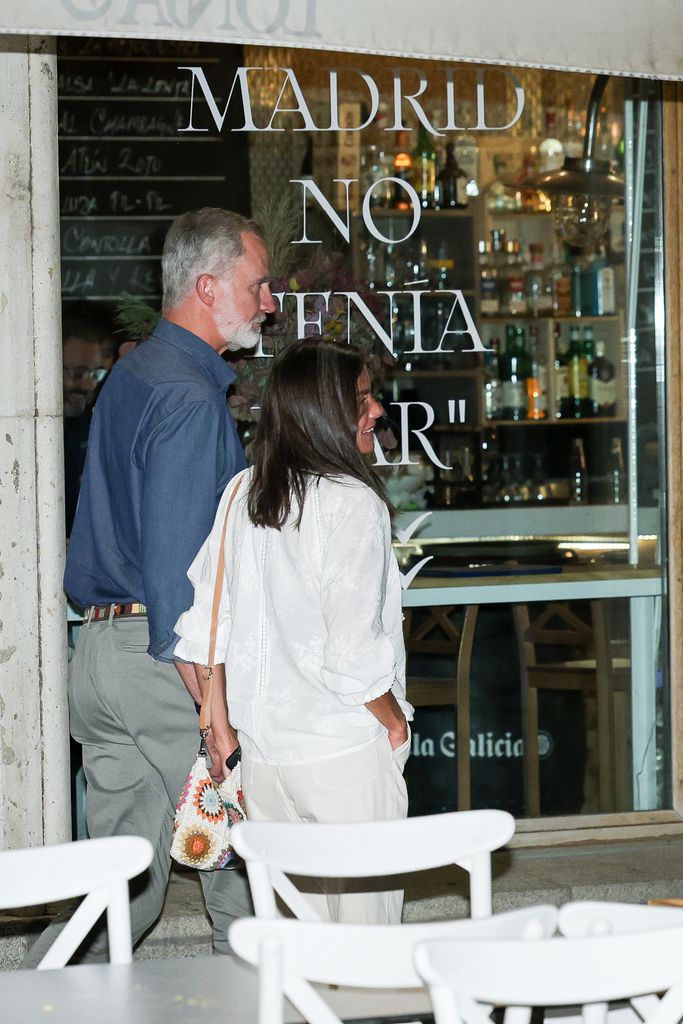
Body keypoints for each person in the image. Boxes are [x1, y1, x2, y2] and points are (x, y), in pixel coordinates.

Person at [24, 208, 276, 966]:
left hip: (101, 655)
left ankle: (37, 1006)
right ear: (207, 286)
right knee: (247, 869)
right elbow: (178, 568)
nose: (269, 302)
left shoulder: (133, 374)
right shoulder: (190, 397)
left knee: (116, 886)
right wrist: (211, 704)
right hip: (166, 660)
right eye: (257, 285)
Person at [174, 338, 413, 925]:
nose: (377, 410)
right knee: (368, 964)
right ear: (323, 412)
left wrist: (221, 732)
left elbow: (205, 631)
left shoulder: (242, 493)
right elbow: (353, 653)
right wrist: (394, 720)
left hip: (263, 764)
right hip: (342, 754)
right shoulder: (353, 504)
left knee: (296, 962)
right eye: (362, 398)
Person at [61, 303, 113, 536]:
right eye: (79, 374)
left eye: (95, 374)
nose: (90, 384)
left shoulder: (92, 423)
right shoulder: (25, 432)